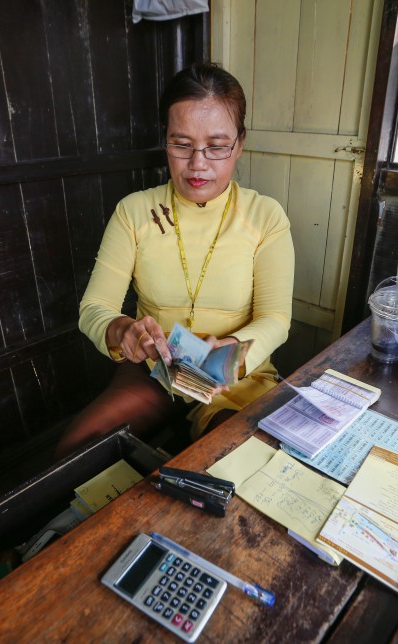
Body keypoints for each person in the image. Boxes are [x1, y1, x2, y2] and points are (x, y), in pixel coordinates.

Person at [53, 61, 294, 459]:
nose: (198, 163)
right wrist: (121, 331)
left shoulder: (265, 217)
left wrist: (230, 351)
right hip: (155, 372)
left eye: (217, 146)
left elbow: (276, 319)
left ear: (240, 143)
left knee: (239, 458)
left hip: (232, 375)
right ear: (165, 139)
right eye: (181, 144)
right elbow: (94, 307)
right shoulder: (134, 212)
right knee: (74, 451)